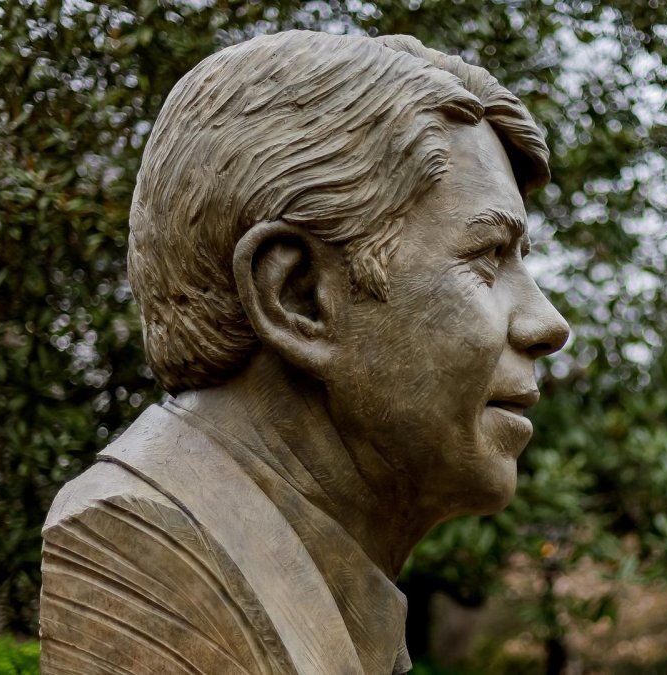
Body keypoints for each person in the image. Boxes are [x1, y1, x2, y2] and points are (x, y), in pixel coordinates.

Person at [38, 30, 569, 674]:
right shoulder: (145, 544)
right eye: (488, 256)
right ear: (299, 298)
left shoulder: (343, 593)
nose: (549, 323)